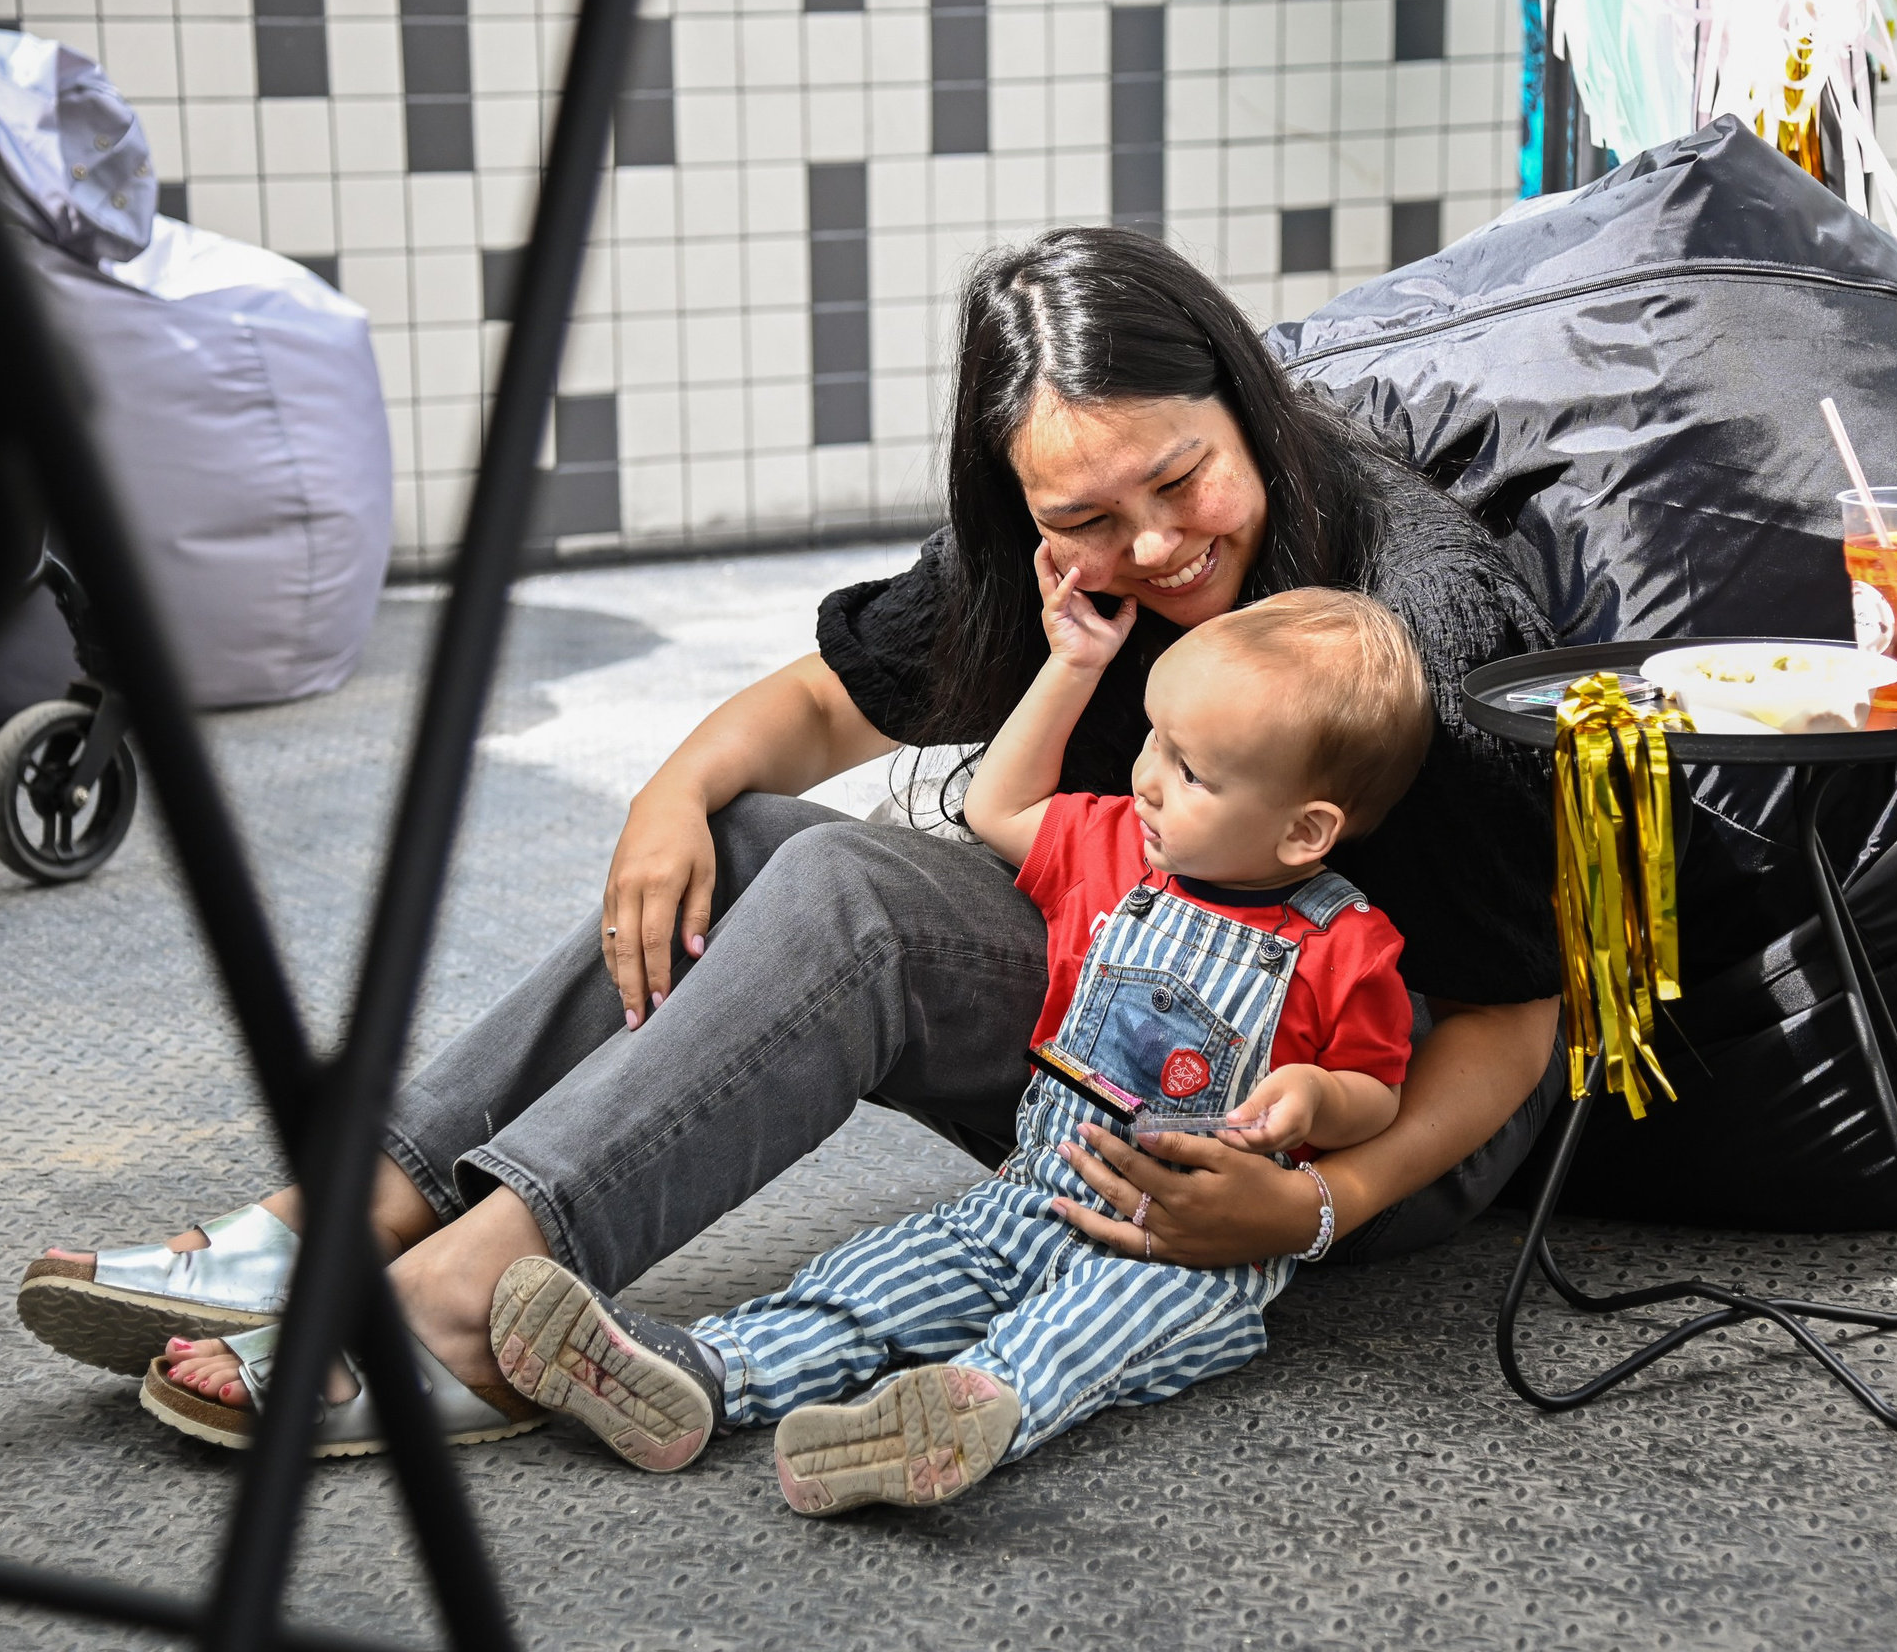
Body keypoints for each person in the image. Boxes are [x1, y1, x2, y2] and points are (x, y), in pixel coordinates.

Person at [14, 225, 1567, 1454]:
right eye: (1083, 517)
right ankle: (340, 1217)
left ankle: (462, 1309)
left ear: (1243, 400)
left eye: (1179, 481)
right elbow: (828, 703)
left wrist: (1315, 1204)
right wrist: (669, 797)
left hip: (1337, 1121)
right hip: (1124, 1035)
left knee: (854, 891)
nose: (1149, 548)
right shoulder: (1052, 571)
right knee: (760, 834)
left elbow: (1517, 1018)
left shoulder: (1423, 618)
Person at [472, 583, 1429, 1510]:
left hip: (1181, 1244)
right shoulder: (1114, 848)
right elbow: (996, 805)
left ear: (1307, 832)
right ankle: (712, 1372)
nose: (1146, 776)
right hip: (1029, 1191)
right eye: (1153, 739)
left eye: (1190, 772)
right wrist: (1071, 664)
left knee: (1085, 1331)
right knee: (886, 1274)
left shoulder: (1348, 945)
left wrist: (1314, 1094)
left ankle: (958, 1415)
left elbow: (1377, 1092)